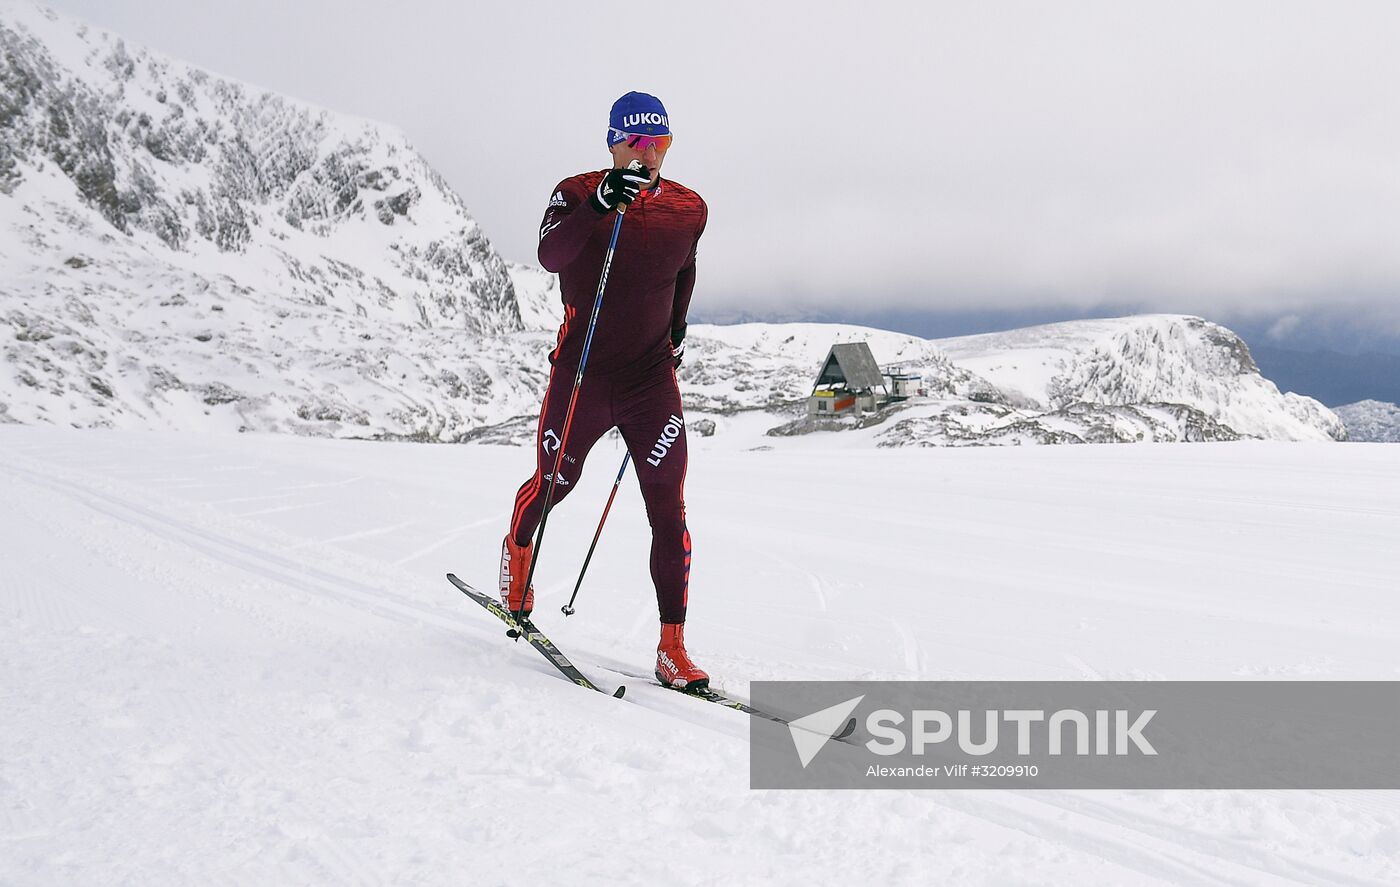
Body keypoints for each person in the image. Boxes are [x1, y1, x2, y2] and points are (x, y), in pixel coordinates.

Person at [500, 91, 710, 690]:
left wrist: (676, 328)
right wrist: (598, 205)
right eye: (638, 143)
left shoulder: (689, 208)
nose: (650, 155)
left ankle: (673, 647)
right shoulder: (573, 191)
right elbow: (550, 254)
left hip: (650, 383)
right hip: (581, 378)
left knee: (668, 510)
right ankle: (517, 570)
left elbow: (684, 266)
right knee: (554, 486)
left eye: (661, 144)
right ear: (614, 143)